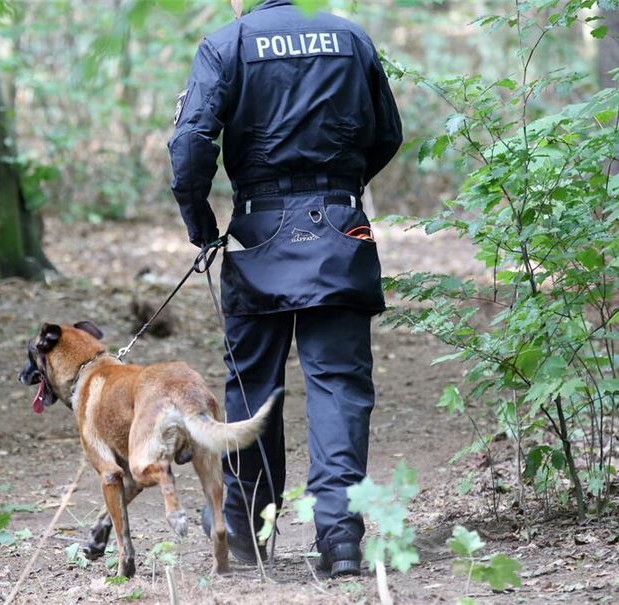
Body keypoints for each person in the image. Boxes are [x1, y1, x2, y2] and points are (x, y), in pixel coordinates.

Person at [167, 0, 402, 577]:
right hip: (340, 232)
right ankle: (342, 540)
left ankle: (246, 527)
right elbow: (388, 134)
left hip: (257, 233)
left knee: (252, 384)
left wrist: (202, 227)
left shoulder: (228, 43)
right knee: (339, 387)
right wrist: (337, 188)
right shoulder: (351, 39)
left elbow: (191, 146)